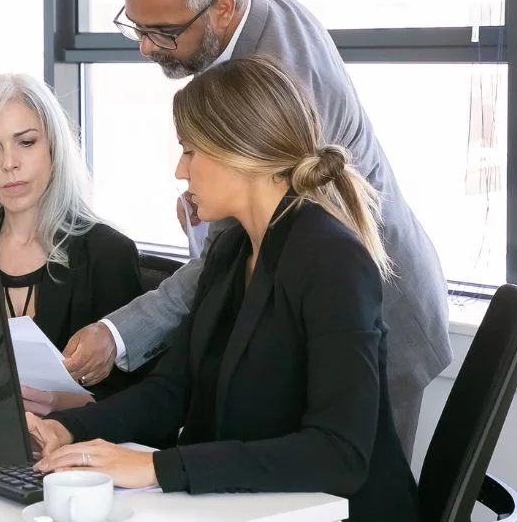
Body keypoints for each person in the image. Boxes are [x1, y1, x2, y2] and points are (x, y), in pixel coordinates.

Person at [61, 0, 451, 460]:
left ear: (223, 9)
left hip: (378, 300)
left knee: (359, 484)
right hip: (316, 291)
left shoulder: (280, 83)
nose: (146, 49)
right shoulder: (241, 10)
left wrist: (120, 335)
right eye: (136, 26)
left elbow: (336, 462)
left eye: (164, 33)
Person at [30, 56, 419, 522]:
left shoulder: (333, 261)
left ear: (241, 151)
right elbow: (170, 392)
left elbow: (338, 454)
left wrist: (157, 466)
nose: (180, 170)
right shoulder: (233, 250)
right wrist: (66, 429)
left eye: (190, 151)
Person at [0, 73, 147, 415]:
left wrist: (67, 405)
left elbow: (141, 400)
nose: (9, 163)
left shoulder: (107, 254)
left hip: (74, 456)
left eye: (26, 142)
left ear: (54, 148)